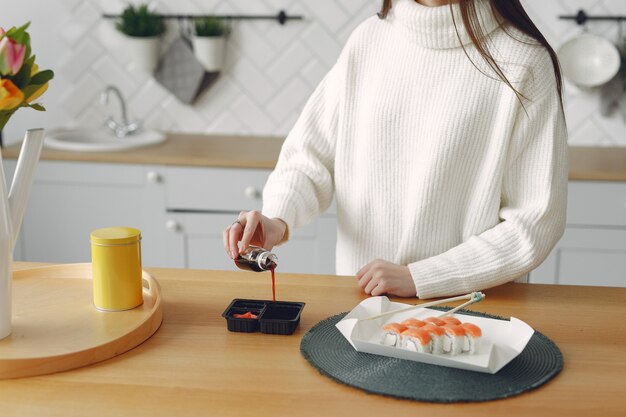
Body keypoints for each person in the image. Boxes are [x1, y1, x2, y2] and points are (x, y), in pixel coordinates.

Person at [223, 0, 567, 299]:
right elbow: (310, 158)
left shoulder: (523, 62)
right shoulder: (369, 39)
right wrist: (277, 219)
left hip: (469, 314)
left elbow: (533, 224)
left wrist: (421, 277)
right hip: (360, 307)